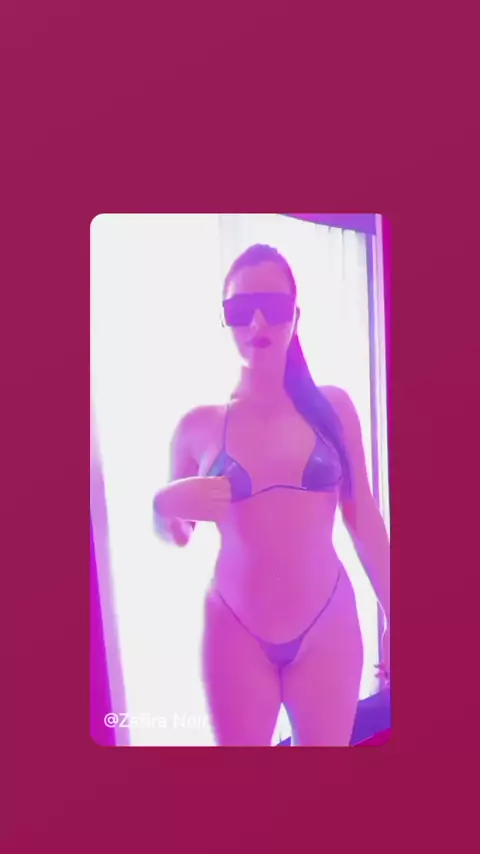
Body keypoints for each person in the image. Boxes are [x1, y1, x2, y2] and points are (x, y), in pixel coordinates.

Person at [153, 243, 390, 746]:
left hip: (327, 624)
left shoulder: (332, 408)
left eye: (274, 307)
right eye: (241, 309)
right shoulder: (198, 427)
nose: (258, 322)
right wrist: (162, 507)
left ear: (296, 316)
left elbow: (363, 516)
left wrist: (397, 610)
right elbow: (177, 535)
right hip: (234, 629)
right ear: (224, 319)